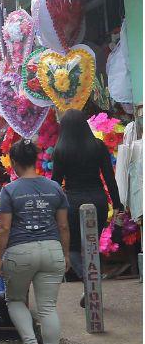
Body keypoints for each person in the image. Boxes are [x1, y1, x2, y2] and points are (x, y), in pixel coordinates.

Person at [0, 139, 70, 344]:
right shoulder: (55, 188)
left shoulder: (10, 191)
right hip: (52, 249)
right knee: (48, 307)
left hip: (20, 252)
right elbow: (63, 226)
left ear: (15, 162)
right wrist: (66, 254)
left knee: (15, 300)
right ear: (36, 160)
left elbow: (4, 228)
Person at [52, 108, 123, 292]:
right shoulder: (98, 146)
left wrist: (52, 207)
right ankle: (93, 284)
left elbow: (56, 183)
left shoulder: (61, 149)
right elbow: (109, 177)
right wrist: (116, 204)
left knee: (74, 246)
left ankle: (88, 281)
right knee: (93, 242)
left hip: (73, 202)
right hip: (98, 200)